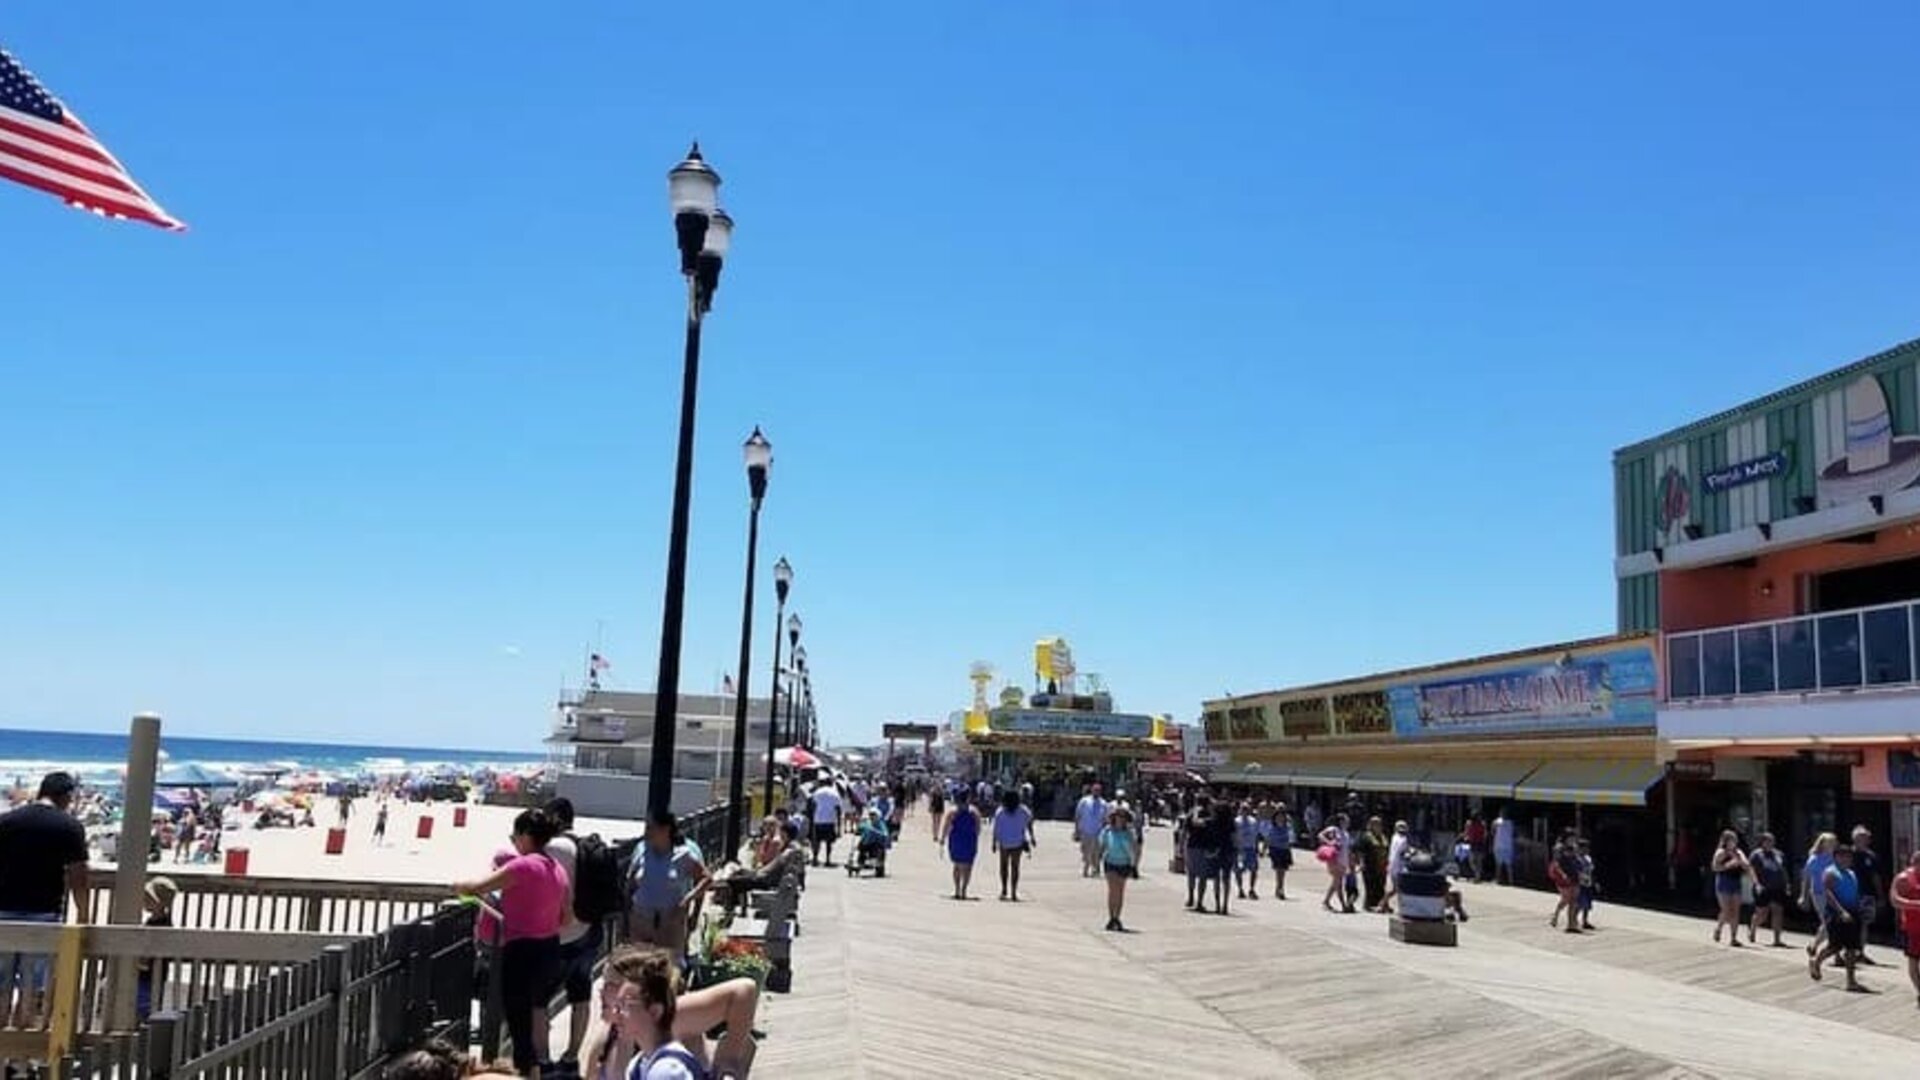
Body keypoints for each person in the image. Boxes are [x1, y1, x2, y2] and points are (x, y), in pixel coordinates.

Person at [453, 808, 569, 1078]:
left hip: (522, 952)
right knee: (534, 1019)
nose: (514, 842)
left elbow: (478, 887)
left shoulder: (523, 866)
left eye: (515, 836)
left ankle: (525, 1073)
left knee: (519, 1027)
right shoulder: (558, 869)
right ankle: (535, 1071)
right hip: (550, 949)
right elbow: (567, 916)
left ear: (526, 835)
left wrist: (457, 885)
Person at [0, 772, 92, 1028]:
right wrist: (83, 915)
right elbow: (79, 877)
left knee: (0, 987)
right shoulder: (69, 827)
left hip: (2, 913)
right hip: (44, 916)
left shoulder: (7, 821)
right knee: (32, 989)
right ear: (66, 796)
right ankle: (21, 1048)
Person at [540, 797, 600, 1068]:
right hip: (588, 930)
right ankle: (572, 1055)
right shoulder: (582, 844)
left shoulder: (553, 848)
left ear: (555, 818)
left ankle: (543, 1059)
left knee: (538, 999)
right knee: (580, 995)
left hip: (560, 934)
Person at [608, 948, 707, 1079]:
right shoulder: (640, 1062)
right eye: (617, 1005)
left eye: (625, 1005)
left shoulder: (667, 1071)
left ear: (655, 1011)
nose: (616, 1013)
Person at [628, 810, 710, 963]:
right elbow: (630, 883)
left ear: (665, 829)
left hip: (670, 921)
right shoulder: (641, 850)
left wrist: (688, 900)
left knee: (668, 966)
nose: (647, 832)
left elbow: (706, 879)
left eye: (651, 828)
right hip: (641, 919)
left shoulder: (684, 854)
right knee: (639, 965)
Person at [1809, 844, 1867, 993]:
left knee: (1852, 948)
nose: (1846, 859)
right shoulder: (1830, 872)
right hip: (1836, 913)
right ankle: (1817, 962)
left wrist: (1859, 908)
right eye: (1842, 856)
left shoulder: (1851, 873)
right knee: (1835, 946)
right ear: (1835, 857)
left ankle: (1851, 981)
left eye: (1848, 856)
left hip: (1853, 912)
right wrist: (1841, 912)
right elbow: (1829, 894)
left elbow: (1854, 893)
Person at [135, 876, 177, 1020]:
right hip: (150, 974)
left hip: (150, 974)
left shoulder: (161, 924)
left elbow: (151, 949)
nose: (144, 900)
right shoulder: (156, 921)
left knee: (145, 1005)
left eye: (148, 898)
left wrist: (140, 960)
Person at [991, 788, 1036, 902]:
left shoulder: (1000, 811)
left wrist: (994, 842)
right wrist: (1032, 837)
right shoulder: (1023, 810)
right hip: (1017, 843)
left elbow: (996, 829)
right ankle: (1013, 892)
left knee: (1004, 866)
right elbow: (1029, 823)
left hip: (1004, 843)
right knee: (1015, 867)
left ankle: (1004, 889)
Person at [1888, 849, 1920, 1008]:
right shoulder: (1903, 878)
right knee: (1913, 961)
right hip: (1912, 928)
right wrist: (1916, 905)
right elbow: (1894, 900)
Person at [1747, 832, 1790, 947]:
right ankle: (1753, 927)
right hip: (1763, 887)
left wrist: (1787, 884)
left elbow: (1783, 870)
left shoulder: (1779, 854)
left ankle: (1777, 939)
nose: (1770, 843)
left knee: (1778, 911)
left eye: (1772, 841)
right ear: (1762, 842)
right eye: (1768, 841)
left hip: (1778, 887)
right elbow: (1751, 870)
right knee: (1762, 914)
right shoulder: (1756, 854)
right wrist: (1756, 884)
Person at [1801, 832, 1838, 964]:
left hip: (1835, 894)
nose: (1832, 844)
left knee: (1832, 923)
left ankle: (1814, 946)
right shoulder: (1815, 858)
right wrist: (1803, 896)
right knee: (1829, 923)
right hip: (1819, 894)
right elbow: (1806, 878)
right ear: (1822, 844)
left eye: (1834, 842)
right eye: (1830, 842)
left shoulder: (1836, 858)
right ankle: (1834, 954)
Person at [1100, 806, 1139, 932]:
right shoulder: (1108, 831)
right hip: (1110, 862)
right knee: (1113, 891)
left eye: (1123, 817)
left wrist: (1134, 866)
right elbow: (1102, 845)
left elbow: (1134, 850)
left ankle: (1117, 917)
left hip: (1124, 864)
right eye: (1118, 816)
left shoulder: (1129, 833)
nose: (1120, 819)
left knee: (1120, 892)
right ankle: (1111, 917)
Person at [1709, 829, 1749, 947]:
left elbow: (1746, 864)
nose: (1734, 842)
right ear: (1726, 841)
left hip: (1735, 882)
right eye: (1731, 840)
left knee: (1736, 911)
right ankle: (1719, 928)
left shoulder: (1739, 852)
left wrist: (1741, 862)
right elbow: (1714, 867)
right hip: (1724, 881)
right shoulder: (1721, 852)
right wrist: (1728, 865)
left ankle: (1733, 937)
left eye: (1735, 840)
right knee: (1726, 910)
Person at [940, 793, 982, 900]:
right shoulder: (974, 812)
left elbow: (946, 826)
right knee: (968, 866)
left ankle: (957, 889)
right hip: (969, 840)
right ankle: (964, 890)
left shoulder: (952, 812)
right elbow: (978, 829)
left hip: (956, 840)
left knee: (957, 865)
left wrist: (943, 839)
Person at [1851, 825, 1883, 967]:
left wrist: (1880, 895)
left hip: (1867, 894)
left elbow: (1876, 877)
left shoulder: (1872, 856)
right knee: (1849, 924)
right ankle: (1845, 952)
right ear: (1854, 839)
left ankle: (1861, 952)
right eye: (1860, 838)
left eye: (1866, 838)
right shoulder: (1847, 854)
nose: (1863, 841)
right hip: (1850, 894)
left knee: (1864, 924)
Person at [1318, 814, 1354, 914]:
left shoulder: (1346, 834)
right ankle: (1343, 905)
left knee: (1335, 883)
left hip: (1343, 860)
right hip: (1334, 859)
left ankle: (1326, 901)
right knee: (1339, 883)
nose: (1347, 823)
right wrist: (1329, 842)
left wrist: (1350, 860)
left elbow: (1348, 849)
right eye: (1345, 821)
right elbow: (1320, 835)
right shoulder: (1334, 829)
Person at [1548, 832, 1583, 933]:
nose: (1573, 840)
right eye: (1571, 838)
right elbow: (1556, 863)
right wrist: (1563, 874)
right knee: (1566, 899)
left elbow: (1577, 859)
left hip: (1574, 875)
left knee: (1574, 900)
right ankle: (1556, 915)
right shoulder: (1559, 848)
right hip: (1563, 877)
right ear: (1566, 838)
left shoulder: (1574, 847)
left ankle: (1571, 924)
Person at [1073, 783, 1109, 879]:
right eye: (1095, 790)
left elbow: (1106, 819)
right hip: (1085, 831)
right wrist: (1076, 830)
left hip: (1098, 832)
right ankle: (1087, 866)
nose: (1096, 792)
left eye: (1098, 790)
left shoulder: (1104, 803)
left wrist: (1106, 832)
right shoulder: (1084, 801)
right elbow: (1078, 815)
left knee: (1096, 852)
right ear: (1092, 790)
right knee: (1085, 851)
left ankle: (1094, 870)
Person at [1354, 817, 1389, 914]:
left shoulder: (1383, 837)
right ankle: (1368, 905)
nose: (1379, 826)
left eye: (1380, 824)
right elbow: (1360, 851)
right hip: (1369, 865)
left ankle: (1381, 905)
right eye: (1376, 824)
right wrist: (1361, 862)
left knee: (1381, 885)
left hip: (1382, 866)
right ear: (1371, 825)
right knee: (1370, 885)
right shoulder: (1366, 836)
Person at [807, 781, 843, 867]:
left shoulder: (817, 792)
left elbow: (813, 806)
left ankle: (815, 858)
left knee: (817, 840)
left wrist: (812, 819)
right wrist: (839, 825)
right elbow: (838, 809)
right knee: (829, 842)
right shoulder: (835, 793)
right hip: (830, 820)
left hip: (818, 820)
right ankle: (827, 859)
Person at [1262, 804, 1294, 901]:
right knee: (1278, 869)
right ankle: (1280, 888)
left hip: (1285, 849)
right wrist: (1263, 850)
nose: (1280, 818)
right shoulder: (1271, 827)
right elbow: (1267, 839)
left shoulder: (1287, 826)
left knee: (1283, 870)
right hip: (1275, 849)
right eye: (1278, 816)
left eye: (1282, 816)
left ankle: (1279, 887)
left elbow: (1291, 838)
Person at [1232, 802, 1262, 901]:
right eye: (1243, 809)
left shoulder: (1253, 821)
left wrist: (1257, 847)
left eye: (1246, 809)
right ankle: (1240, 889)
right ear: (1240, 810)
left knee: (1254, 870)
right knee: (1238, 870)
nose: (1245, 811)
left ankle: (1252, 888)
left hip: (1251, 848)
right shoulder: (1236, 821)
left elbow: (1256, 835)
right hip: (1240, 849)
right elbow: (1233, 834)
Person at [1379, 820, 1410, 915]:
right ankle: (1384, 904)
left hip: (1392, 865)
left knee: (1396, 888)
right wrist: (1409, 854)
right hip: (1398, 867)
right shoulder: (1403, 839)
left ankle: (1383, 904)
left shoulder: (1394, 837)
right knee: (1399, 889)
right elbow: (1402, 853)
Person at [1492, 810, 1516, 886]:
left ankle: (1498, 879)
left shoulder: (1497, 822)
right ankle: (1511, 881)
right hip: (1508, 845)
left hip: (1499, 845)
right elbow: (1514, 833)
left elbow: (1493, 831)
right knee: (1508, 865)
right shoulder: (1511, 823)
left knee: (1499, 864)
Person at [1462, 813, 1489, 883]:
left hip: (1478, 843)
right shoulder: (1470, 823)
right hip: (1474, 843)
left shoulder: (1482, 824)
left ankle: (1477, 877)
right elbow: (1466, 832)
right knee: (1473, 861)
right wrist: (1466, 837)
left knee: (1476, 861)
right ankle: (1477, 875)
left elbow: (1485, 833)